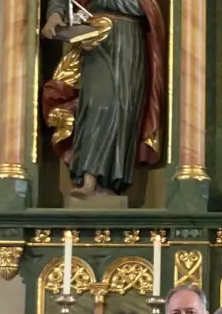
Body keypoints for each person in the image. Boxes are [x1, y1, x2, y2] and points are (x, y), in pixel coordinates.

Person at [39, 0, 165, 198]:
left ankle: (111, 181)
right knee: (97, 105)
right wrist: (55, 15)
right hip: (95, 39)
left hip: (127, 39)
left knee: (123, 107)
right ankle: (88, 179)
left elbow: (143, 7)